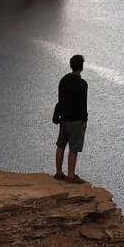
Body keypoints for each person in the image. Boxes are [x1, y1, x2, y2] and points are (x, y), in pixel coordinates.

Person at [53, 53, 89, 183]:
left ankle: (58, 172)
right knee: (74, 149)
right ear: (82, 67)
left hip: (64, 119)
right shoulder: (82, 84)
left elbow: (60, 100)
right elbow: (83, 104)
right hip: (76, 121)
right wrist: (85, 120)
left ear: (71, 65)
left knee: (61, 145)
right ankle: (71, 176)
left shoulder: (63, 80)